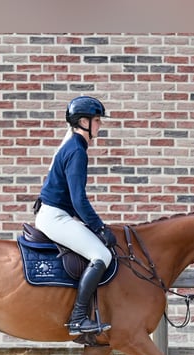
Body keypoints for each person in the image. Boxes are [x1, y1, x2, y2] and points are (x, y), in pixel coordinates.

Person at [34, 95, 117, 336]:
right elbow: (78, 199)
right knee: (101, 254)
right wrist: (99, 228)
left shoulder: (72, 145)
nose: (99, 126)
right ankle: (79, 319)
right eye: (97, 120)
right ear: (83, 122)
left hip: (56, 213)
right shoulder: (77, 151)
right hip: (54, 217)